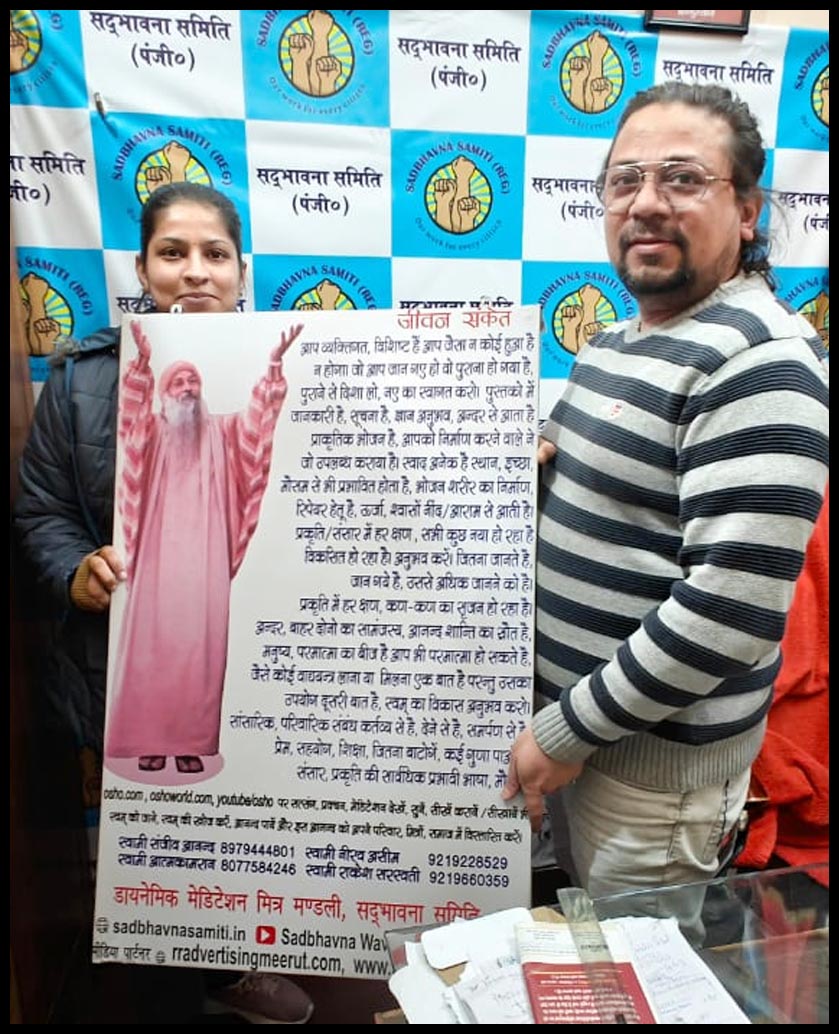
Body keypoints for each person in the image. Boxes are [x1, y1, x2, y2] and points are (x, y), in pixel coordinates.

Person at [503, 81, 829, 902]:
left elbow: (728, 611)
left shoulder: (759, 364)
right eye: (625, 179)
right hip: (587, 744)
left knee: (639, 965)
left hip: (650, 783)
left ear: (747, 211)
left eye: (682, 178)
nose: (645, 202)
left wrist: (566, 730)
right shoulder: (617, 340)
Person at [14, 181, 314, 1024]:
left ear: (241, 270)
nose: (194, 271)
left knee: (249, 818)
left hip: (233, 614)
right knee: (156, 844)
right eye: (172, 253)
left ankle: (232, 969)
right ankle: (168, 991)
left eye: (214, 253)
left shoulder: (309, 369)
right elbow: (41, 512)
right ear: (143, 269)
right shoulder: (85, 381)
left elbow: (290, 462)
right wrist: (74, 569)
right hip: (128, 637)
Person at [103, 317, 299, 775]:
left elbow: (258, 427)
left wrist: (273, 366)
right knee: (152, 650)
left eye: (194, 380)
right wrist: (141, 365)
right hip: (157, 564)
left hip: (206, 565)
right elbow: (130, 423)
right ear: (165, 392)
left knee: (200, 654)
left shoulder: (223, 432)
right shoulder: (152, 431)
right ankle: (150, 742)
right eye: (179, 381)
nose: (188, 387)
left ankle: (189, 744)